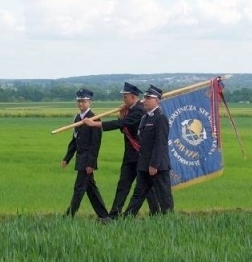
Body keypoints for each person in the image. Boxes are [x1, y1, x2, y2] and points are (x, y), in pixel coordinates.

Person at [100, 83, 158, 216]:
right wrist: (122, 114)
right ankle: (114, 214)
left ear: (133, 97)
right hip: (130, 156)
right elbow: (124, 129)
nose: (123, 100)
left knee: (145, 187)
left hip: (140, 155)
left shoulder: (139, 110)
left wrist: (97, 124)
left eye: (125, 97)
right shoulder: (130, 110)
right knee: (123, 185)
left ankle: (156, 213)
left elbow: (121, 124)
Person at [123, 85, 173, 216]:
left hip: (157, 166)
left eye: (148, 98)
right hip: (144, 164)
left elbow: (160, 143)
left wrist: (154, 164)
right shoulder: (145, 118)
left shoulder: (161, 118)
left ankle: (168, 219)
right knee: (138, 194)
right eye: (144, 97)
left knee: (163, 195)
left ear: (157, 101)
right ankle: (127, 217)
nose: (144, 100)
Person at [62, 88, 110, 219]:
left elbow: (95, 144)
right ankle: (105, 216)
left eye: (83, 101)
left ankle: (68, 216)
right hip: (79, 158)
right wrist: (67, 158)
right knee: (91, 189)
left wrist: (91, 163)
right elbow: (74, 140)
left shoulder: (94, 119)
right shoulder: (77, 118)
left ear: (90, 102)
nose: (80, 104)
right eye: (79, 101)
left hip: (87, 160)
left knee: (79, 188)